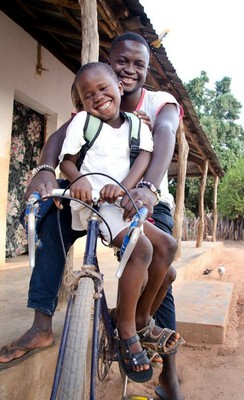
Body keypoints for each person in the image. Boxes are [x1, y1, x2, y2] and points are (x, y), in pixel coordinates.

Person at [0, 32, 184, 399]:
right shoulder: (92, 101)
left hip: (144, 196)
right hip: (93, 193)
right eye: (122, 61)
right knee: (50, 223)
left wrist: (146, 187)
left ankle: (166, 368)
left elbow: (163, 137)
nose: (129, 70)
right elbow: (61, 140)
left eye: (138, 65)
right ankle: (41, 324)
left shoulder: (158, 103)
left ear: (145, 72)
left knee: (162, 259)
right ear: (110, 63)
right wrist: (45, 169)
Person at [58, 61, 179, 382]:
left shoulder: (136, 125)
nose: (97, 97)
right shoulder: (83, 122)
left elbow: (145, 156)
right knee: (141, 249)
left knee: (168, 249)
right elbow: (67, 161)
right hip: (96, 205)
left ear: (120, 88)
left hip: (121, 203)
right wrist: (79, 179)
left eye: (102, 88)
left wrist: (126, 185)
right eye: (87, 95)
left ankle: (140, 317)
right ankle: (127, 330)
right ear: (81, 104)